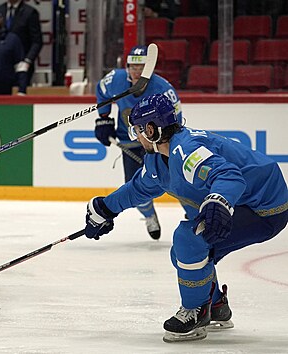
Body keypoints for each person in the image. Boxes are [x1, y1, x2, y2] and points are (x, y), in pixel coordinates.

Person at [84, 93, 288, 342]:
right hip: (245, 202)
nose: (136, 136)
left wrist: (219, 201)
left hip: (264, 206)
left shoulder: (186, 150)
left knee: (187, 239)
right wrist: (105, 208)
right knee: (182, 254)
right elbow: (140, 188)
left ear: (151, 129)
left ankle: (196, 311)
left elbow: (229, 177)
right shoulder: (160, 157)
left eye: (138, 129)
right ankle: (215, 306)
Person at [94, 45, 184, 240]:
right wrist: (104, 118)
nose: (136, 71)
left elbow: (177, 116)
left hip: (158, 142)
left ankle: (193, 212)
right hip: (130, 140)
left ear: (149, 68)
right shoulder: (116, 80)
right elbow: (101, 90)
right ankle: (149, 214)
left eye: (141, 66)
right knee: (133, 186)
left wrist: (167, 142)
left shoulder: (163, 89)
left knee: (176, 179)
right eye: (132, 66)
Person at [0, 0, 43, 85]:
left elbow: (37, 41)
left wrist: (28, 60)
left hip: (22, 63)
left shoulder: (30, 12)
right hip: (0, 65)